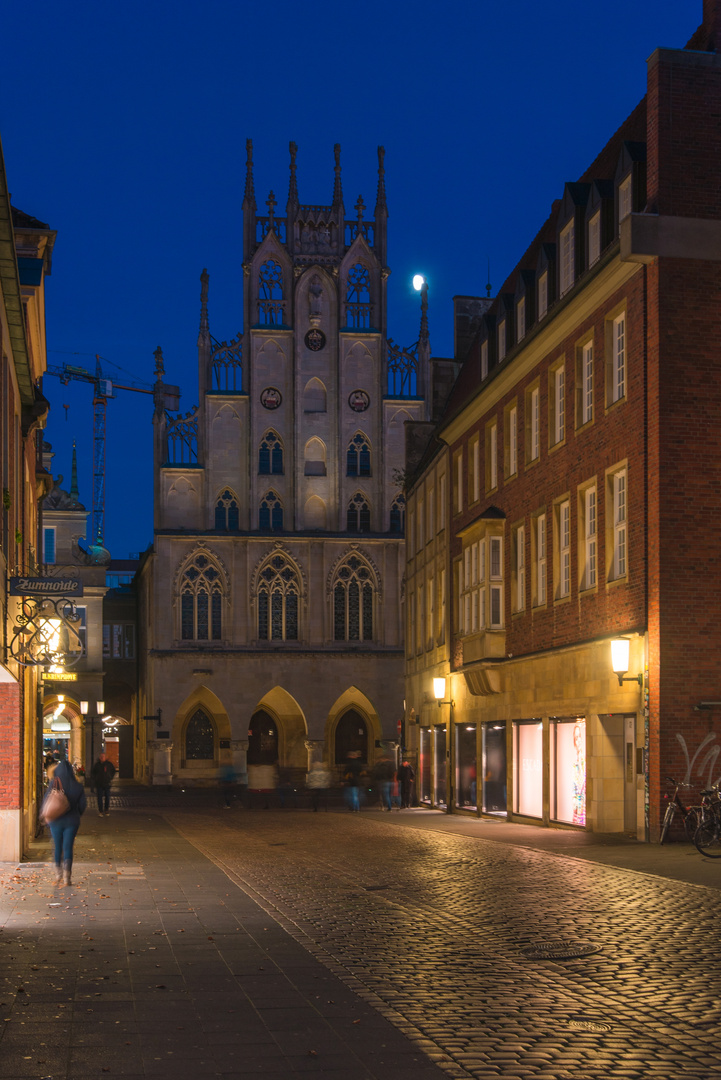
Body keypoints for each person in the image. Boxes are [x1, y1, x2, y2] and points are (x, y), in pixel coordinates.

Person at [43, 757, 86, 886]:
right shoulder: (78, 786)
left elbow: (46, 801)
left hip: (56, 821)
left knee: (57, 846)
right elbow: (83, 805)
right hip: (72, 821)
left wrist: (46, 819)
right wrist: (76, 814)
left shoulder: (54, 784)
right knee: (68, 847)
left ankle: (58, 874)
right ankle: (67, 876)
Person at [91, 751, 116, 816]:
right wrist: (95, 779)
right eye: (101, 757)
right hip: (99, 783)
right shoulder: (97, 765)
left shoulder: (109, 764)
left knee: (107, 797)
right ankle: (101, 811)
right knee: (99, 797)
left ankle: (106, 809)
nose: (102, 758)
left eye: (103, 757)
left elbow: (113, 771)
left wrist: (110, 777)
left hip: (107, 783)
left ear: (105, 757)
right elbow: (93, 772)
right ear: (99, 757)